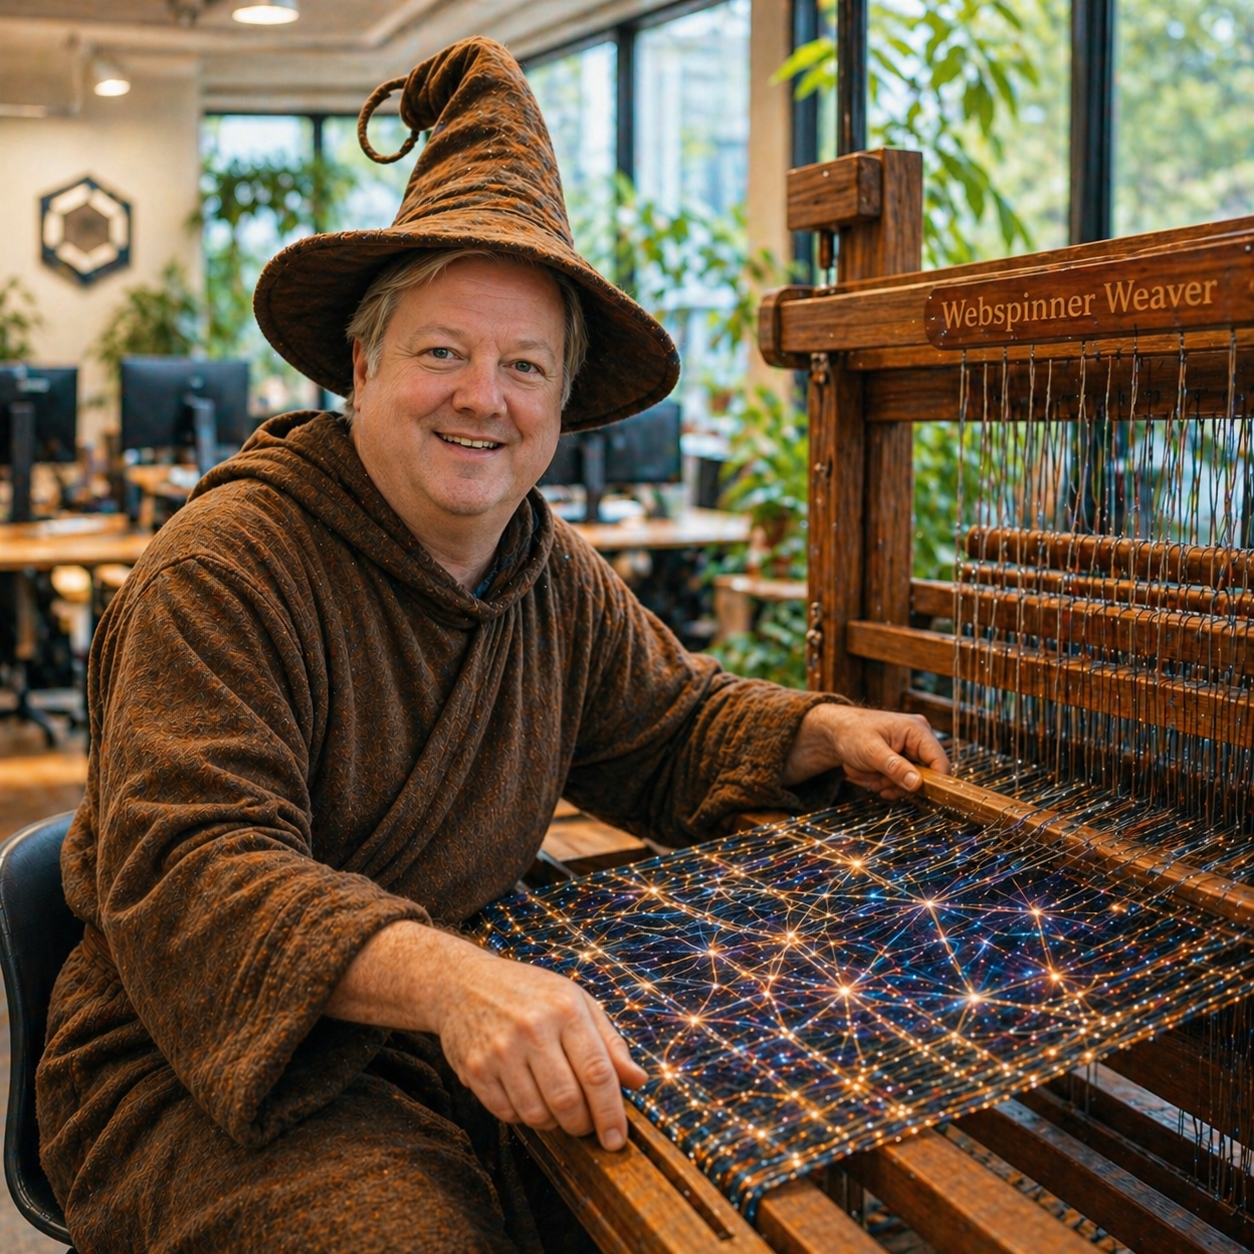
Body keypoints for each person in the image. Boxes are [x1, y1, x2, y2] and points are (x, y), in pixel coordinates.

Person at [37, 37, 948, 1254]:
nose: (486, 396)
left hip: (446, 1019)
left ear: (560, 407)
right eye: (442, 353)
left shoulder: (545, 569)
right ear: (360, 366)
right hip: (203, 1065)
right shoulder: (223, 570)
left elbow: (666, 724)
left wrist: (808, 731)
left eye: (525, 366)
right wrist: (452, 981)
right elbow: (197, 875)